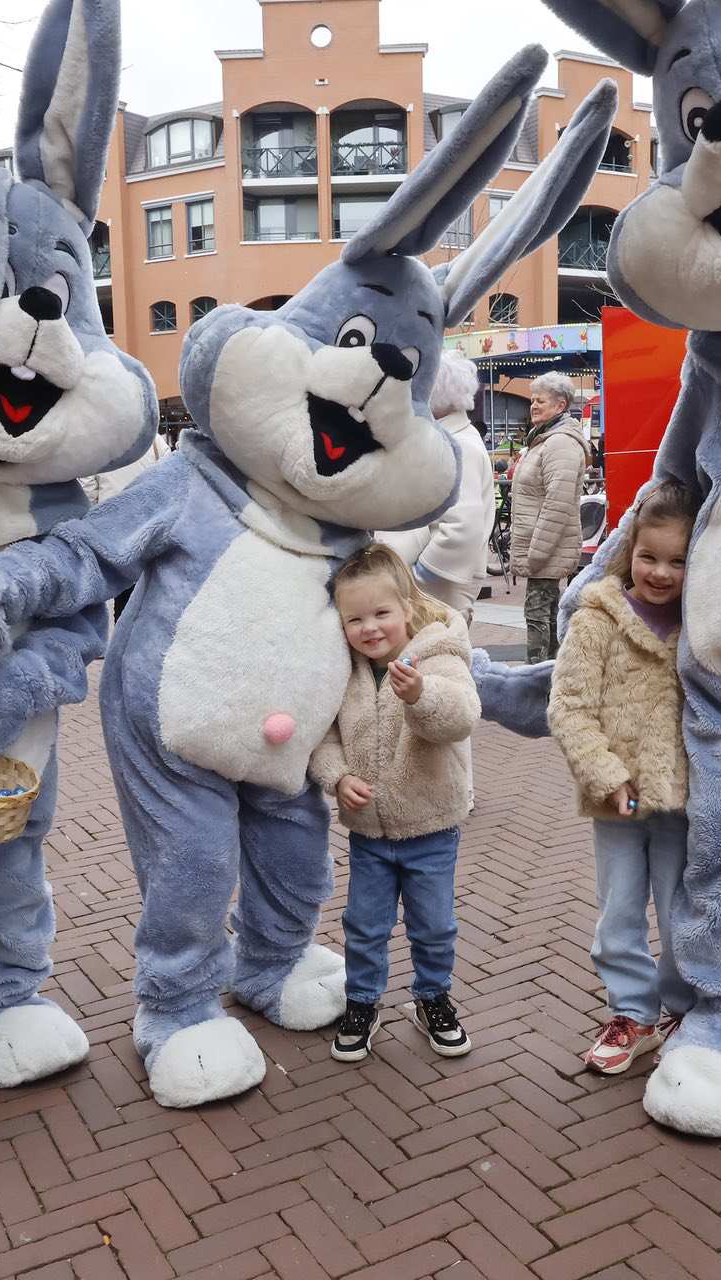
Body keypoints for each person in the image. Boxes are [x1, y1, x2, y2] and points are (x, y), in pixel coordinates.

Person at [548, 480, 698, 1074]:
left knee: (682, 907)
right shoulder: (599, 619)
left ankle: (684, 1009)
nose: (660, 572)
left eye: (679, 560)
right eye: (649, 556)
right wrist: (606, 774)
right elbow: (569, 704)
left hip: (685, 797)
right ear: (627, 551)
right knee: (620, 909)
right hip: (619, 800)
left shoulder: (701, 625)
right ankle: (631, 1011)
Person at [310, 544, 479, 1064]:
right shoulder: (346, 672)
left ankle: (432, 998)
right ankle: (363, 1002)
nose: (369, 628)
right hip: (369, 832)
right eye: (354, 618)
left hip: (431, 826)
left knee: (433, 924)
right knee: (363, 923)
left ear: (407, 607)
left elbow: (461, 717)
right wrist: (337, 779)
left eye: (381, 613)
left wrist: (421, 696)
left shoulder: (438, 654)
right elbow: (326, 737)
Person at [379, 351, 496, 619]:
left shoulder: (459, 445)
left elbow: (462, 525)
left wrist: (421, 573)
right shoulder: (455, 438)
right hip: (437, 581)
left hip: (439, 585)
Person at [510, 372, 590, 662]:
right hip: (542, 548)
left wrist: (537, 553)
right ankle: (550, 676)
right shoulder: (544, 440)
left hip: (545, 550)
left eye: (540, 400)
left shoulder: (559, 443)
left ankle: (538, 677)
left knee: (538, 616)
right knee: (547, 614)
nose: (533, 405)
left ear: (560, 405)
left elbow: (557, 503)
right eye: (532, 399)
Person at [86, 426, 172, 621]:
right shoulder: (156, 443)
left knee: (120, 590)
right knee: (147, 589)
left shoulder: (100, 444)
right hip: (149, 525)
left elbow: (88, 491)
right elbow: (169, 483)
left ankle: (120, 639)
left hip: (111, 529)